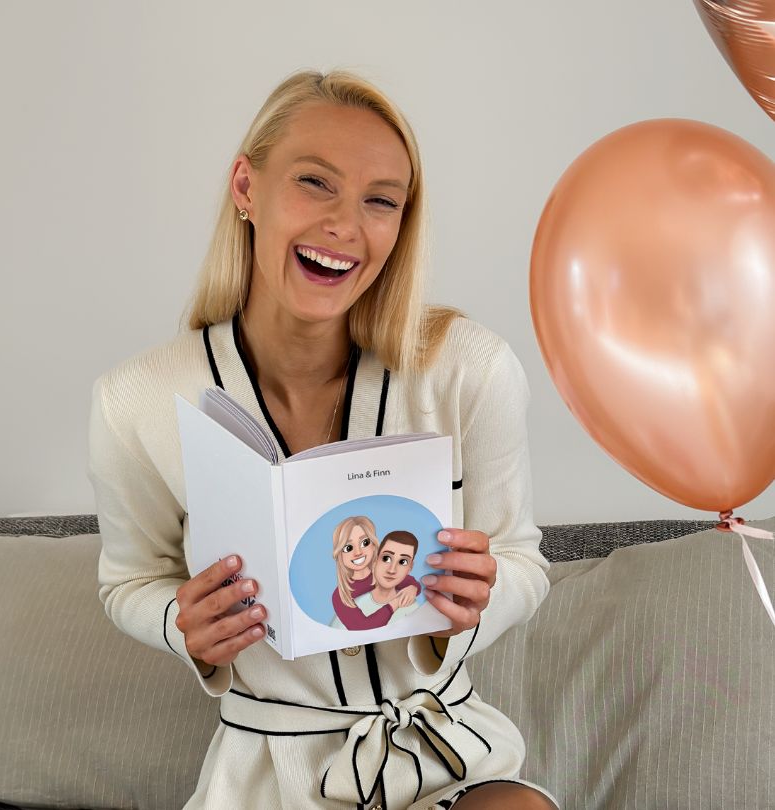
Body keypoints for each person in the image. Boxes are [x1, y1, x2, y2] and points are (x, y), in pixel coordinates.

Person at [89, 69, 557, 809]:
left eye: (381, 200)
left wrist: (478, 597)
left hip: (448, 759)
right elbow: (129, 581)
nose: (346, 225)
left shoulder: (469, 369)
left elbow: (522, 560)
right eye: (315, 183)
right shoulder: (137, 399)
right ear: (246, 187)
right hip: (264, 779)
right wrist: (183, 624)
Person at [330, 515, 420, 630]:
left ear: (373, 545)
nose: (358, 552)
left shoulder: (382, 575)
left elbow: (409, 581)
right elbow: (361, 627)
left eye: (365, 542)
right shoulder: (341, 594)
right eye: (348, 548)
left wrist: (413, 588)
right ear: (339, 554)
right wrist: (395, 603)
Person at [353, 530, 422, 625]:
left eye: (403, 562)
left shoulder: (414, 609)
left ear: (410, 567)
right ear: (375, 559)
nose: (392, 570)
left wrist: (414, 587)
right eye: (386, 558)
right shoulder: (355, 604)